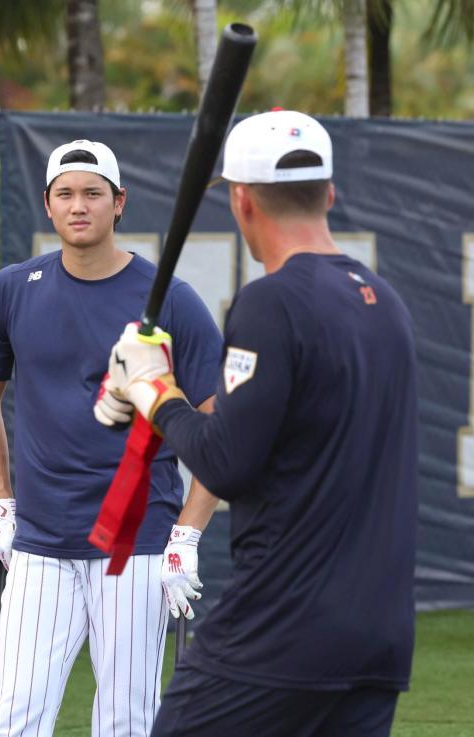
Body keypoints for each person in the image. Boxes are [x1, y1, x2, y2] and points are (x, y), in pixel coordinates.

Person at [100, 111, 418, 737]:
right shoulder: (385, 302)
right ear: (329, 193)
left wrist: (151, 389)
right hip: (378, 635)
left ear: (241, 201)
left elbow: (225, 462)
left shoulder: (272, 301)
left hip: (280, 627)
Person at [0, 139, 223, 737]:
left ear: (119, 203)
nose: (79, 206)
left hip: (136, 543)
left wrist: (188, 532)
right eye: (65, 194)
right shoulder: (11, 289)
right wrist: (0, 501)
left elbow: (217, 428)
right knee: (16, 717)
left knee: (126, 722)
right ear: (49, 207)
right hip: (39, 541)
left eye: (92, 193)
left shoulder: (171, 300)